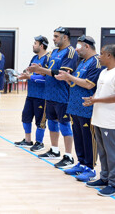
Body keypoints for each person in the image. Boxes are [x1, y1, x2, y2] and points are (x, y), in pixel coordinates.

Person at [55, 35, 103, 181]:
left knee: (88, 138)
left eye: (79, 46)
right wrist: (67, 78)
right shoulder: (82, 62)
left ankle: (90, 168)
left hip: (87, 107)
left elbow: (89, 84)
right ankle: (81, 163)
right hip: (75, 106)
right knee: (79, 137)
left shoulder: (96, 62)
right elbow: (76, 82)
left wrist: (70, 78)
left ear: (87, 46)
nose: (76, 49)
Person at [83, 44, 115, 197]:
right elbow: (100, 93)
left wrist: (96, 101)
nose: (99, 56)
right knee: (103, 152)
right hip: (98, 119)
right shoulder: (103, 72)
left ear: (109, 55)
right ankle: (104, 178)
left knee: (113, 154)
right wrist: (92, 99)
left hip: (111, 121)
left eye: (102, 54)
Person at [28, 27, 78, 169]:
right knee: (52, 123)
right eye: (54, 36)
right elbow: (46, 71)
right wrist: (37, 69)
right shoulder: (54, 52)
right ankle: (55, 150)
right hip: (49, 94)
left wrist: (41, 70)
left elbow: (62, 73)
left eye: (56, 36)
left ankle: (68, 156)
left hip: (63, 96)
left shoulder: (70, 52)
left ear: (65, 37)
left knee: (65, 125)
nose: (54, 39)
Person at [14, 36, 50, 152]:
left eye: (35, 43)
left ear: (41, 45)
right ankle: (28, 140)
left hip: (42, 96)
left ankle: (39, 142)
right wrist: (22, 74)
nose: (33, 45)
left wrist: (29, 76)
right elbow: (29, 71)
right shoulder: (34, 57)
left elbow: (44, 77)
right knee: (26, 117)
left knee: (40, 121)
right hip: (31, 94)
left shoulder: (47, 59)